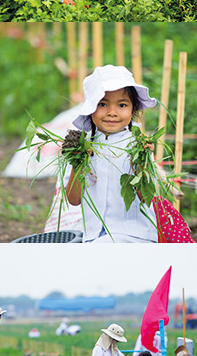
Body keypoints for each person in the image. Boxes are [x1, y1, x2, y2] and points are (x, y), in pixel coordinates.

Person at [65, 65, 159, 243]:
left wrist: (140, 162)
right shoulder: (85, 144)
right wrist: (78, 161)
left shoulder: (137, 144)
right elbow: (74, 199)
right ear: (91, 107)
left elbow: (146, 197)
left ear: (133, 109)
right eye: (102, 104)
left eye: (122, 105)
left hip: (134, 236)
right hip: (93, 235)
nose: (112, 112)